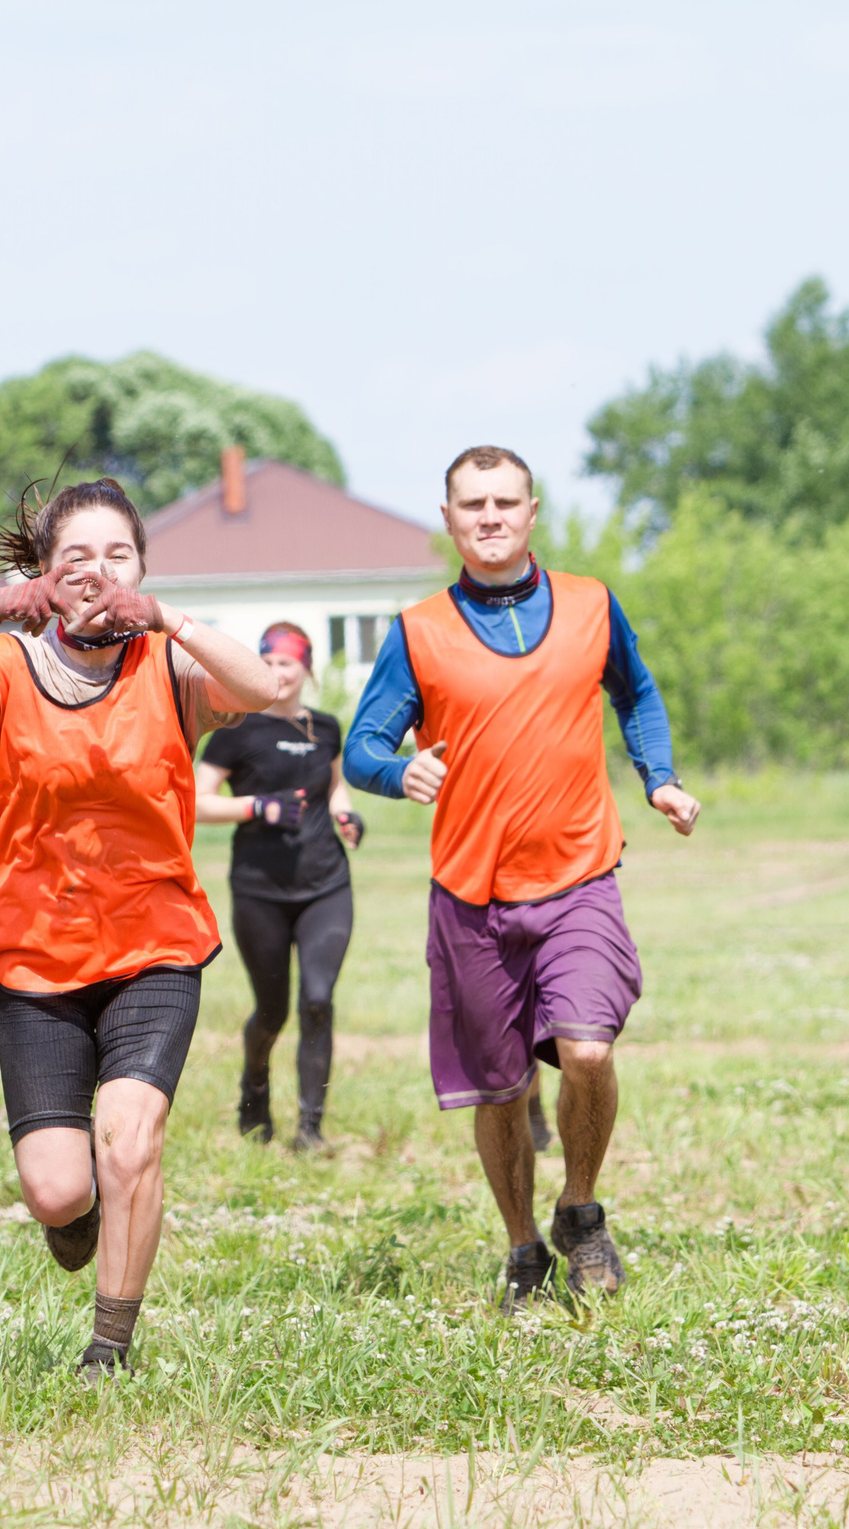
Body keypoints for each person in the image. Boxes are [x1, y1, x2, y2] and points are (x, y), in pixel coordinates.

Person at [0, 478, 277, 1378]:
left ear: (142, 568)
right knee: (56, 1188)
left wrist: (169, 620)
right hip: (35, 954)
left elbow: (262, 685)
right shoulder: (8, 668)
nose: (99, 572)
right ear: (44, 572)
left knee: (130, 1139)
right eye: (77, 557)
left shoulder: (167, 666)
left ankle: (109, 1345)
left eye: (119, 555)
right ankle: (80, 1218)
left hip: (155, 942)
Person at [343, 445, 698, 1309]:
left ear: (533, 511)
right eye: (473, 504)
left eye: (506, 501)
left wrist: (658, 777)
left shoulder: (591, 603)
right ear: (449, 519)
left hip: (580, 873)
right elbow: (361, 747)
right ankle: (523, 1246)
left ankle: (581, 1208)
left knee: (588, 1049)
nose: (491, 516)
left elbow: (637, 694)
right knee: (499, 1089)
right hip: (472, 896)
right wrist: (398, 771)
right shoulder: (419, 631)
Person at [192, 622, 362, 1153]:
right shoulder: (237, 727)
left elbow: (334, 786)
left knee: (318, 1001)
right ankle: (255, 1088)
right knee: (272, 1011)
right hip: (259, 890)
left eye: (287, 662)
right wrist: (256, 806)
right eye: (267, 662)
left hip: (325, 885)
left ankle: (310, 1128)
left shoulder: (325, 727)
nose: (277, 672)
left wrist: (347, 814)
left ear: (305, 668)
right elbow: (194, 801)